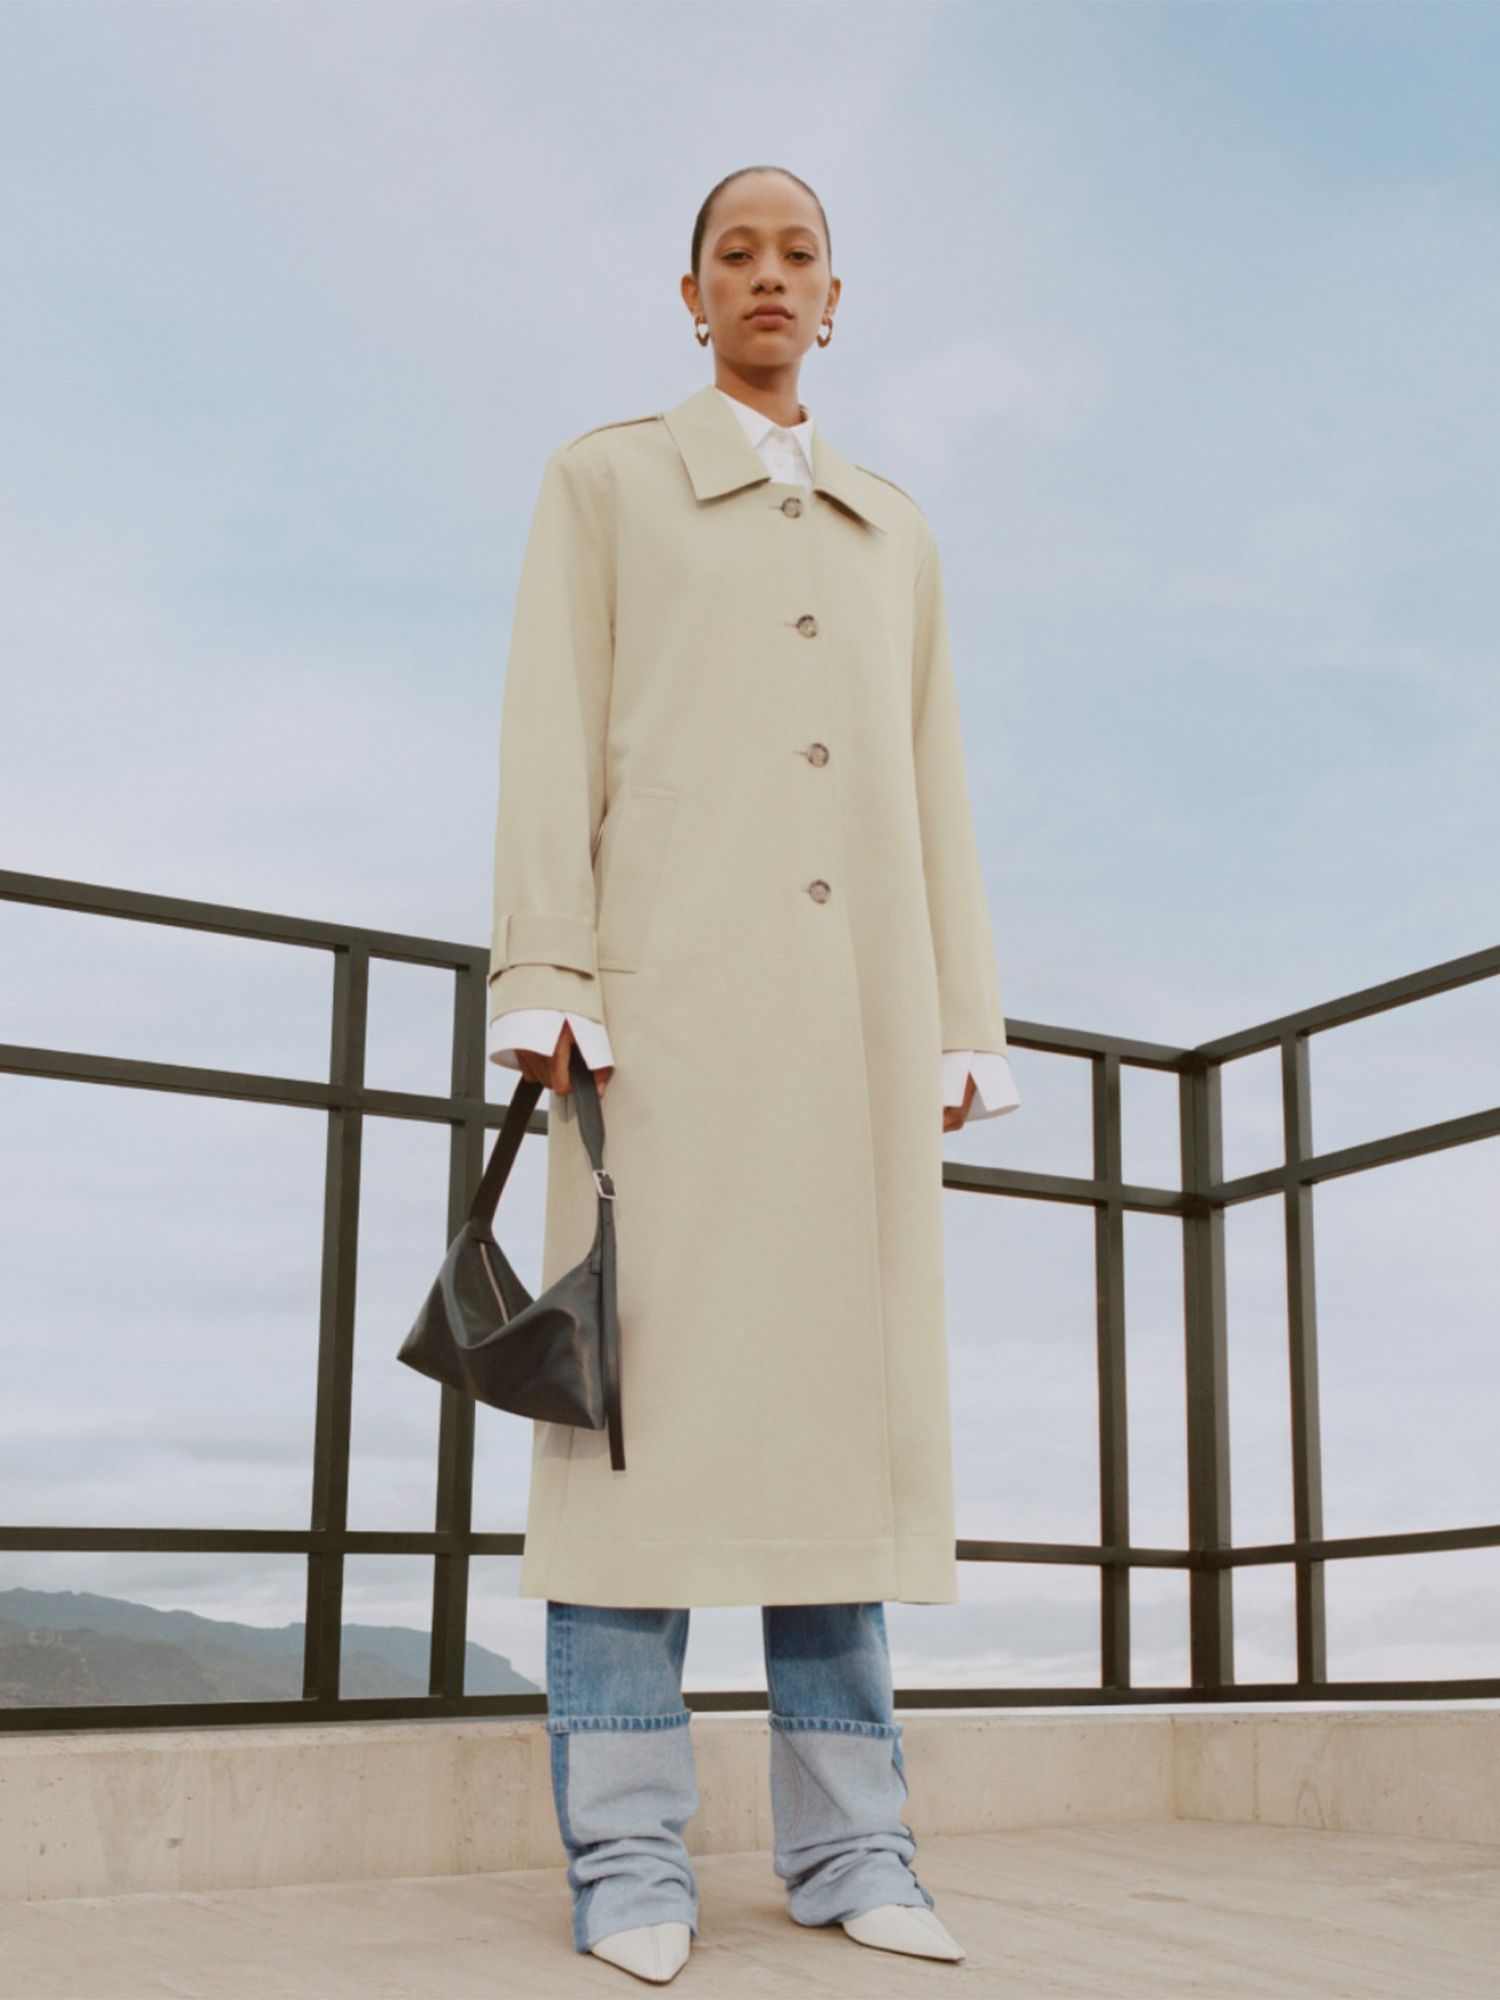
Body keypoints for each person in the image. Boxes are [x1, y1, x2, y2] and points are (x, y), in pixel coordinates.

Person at [484, 165, 1020, 1984]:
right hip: (665, 1034)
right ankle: (629, 1863)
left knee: (835, 1460)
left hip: (855, 1042)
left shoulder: (897, 529)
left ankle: (853, 1850)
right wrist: (542, 969)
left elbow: (933, 779)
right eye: (739, 254)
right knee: (635, 1451)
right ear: (691, 295)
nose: (769, 275)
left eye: (799, 254)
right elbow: (549, 730)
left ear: (835, 298)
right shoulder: (609, 480)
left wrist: (960, 1016)